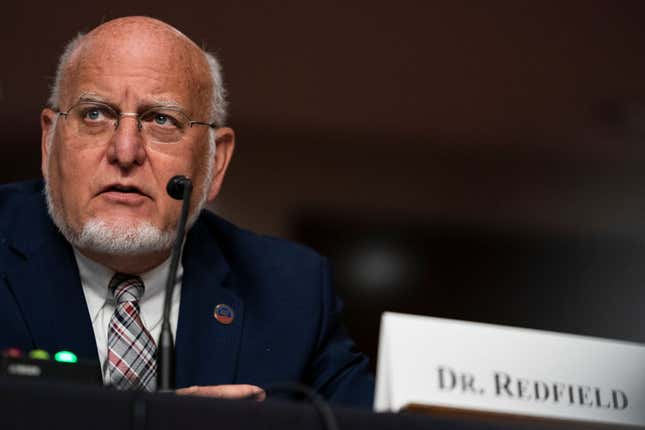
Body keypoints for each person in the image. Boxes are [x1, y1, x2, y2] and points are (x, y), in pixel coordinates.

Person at [0, 16, 374, 408]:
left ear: (217, 161)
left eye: (162, 120)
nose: (125, 152)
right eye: (95, 114)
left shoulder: (291, 293)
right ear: (49, 141)